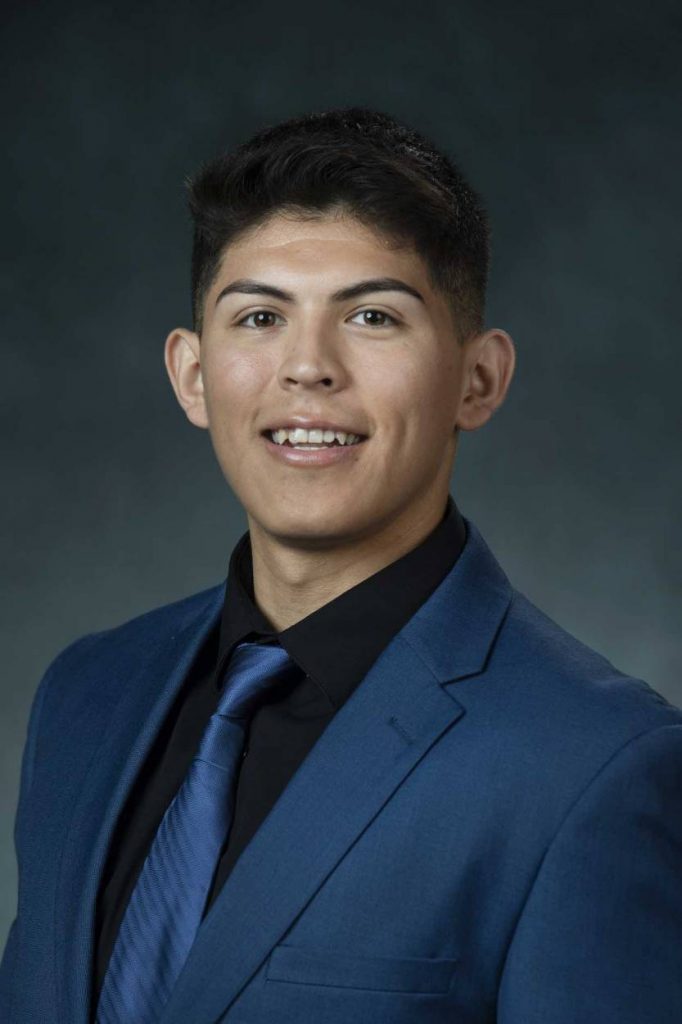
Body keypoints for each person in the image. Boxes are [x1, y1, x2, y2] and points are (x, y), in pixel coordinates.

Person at [1, 106, 680, 1024]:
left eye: (370, 315)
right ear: (193, 376)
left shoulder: (595, 765)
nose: (307, 367)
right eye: (260, 316)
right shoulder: (86, 694)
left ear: (478, 379)